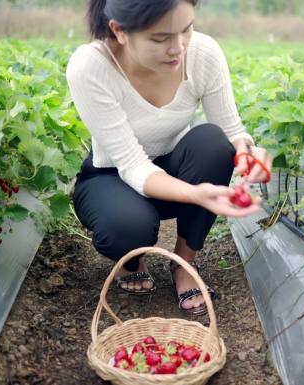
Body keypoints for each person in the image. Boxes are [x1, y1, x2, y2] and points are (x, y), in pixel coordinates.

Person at [66, 0, 273, 317]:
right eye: (160, 38)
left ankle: (184, 263)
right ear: (119, 31)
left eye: (186, 29)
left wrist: (247, 151)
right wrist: (195, 193)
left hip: (174, 167)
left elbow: (231, 129)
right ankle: (131, 259)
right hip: (112, 176)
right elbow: (133, 166)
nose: (178, 48)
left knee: (214, 144)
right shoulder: (92, 66)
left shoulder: (202, 52)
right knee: (127, 227)